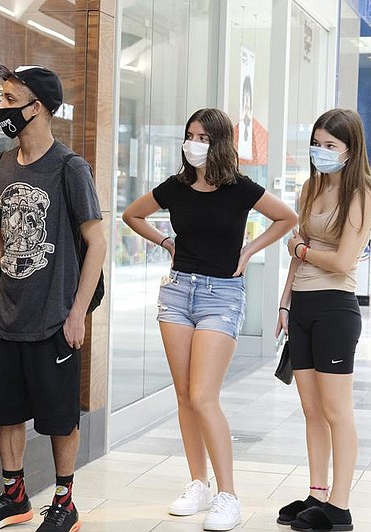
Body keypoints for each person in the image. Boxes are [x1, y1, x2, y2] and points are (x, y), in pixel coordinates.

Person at [122, 108, 296, 531]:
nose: (193, 143)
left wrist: (250, 251)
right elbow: (131, 215)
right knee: (183, 395)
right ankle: (198, 482)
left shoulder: (239, 188)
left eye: (202, 136)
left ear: (219, 143)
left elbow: (287, 218)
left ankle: (228, 496)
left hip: (222, 295)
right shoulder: (177, 187)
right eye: (189, 135)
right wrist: (166, 242)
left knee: (203, 396)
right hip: (178, 292)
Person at [0, 61, 106, 532]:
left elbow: (98, 242)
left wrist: (78, 313)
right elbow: (1, 240)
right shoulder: (1, 164)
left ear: (37, 107)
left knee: (59, 417)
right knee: (6, 411)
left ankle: (65, 502)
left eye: (8, 99)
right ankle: (14, 496)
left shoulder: (70, 167)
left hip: (54, 317)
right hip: (7, 315)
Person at [275, 109, 371, 532]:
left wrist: (300, 250)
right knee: (311, 410)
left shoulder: (362, 194)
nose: (320, 152)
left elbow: (340, 262)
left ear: (349, 150)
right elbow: (296, 249)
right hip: (301, 307)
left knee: (337, 411)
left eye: (330, 146)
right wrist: (285, 304)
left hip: (335, 308)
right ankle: (316, 493)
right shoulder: (310, 187)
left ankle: (340, 507)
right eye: (316, 144)